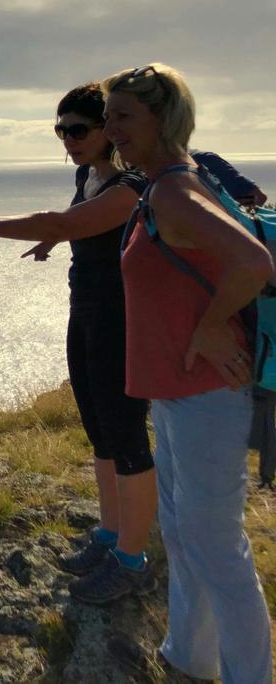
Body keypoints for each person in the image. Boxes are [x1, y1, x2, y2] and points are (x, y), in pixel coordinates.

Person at [0, 82, 157, 603]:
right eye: (61, 130)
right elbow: (75, 221)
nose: (68, 140)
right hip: (89, 308)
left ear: (109, 129)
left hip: (124, 318)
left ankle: (132, 558)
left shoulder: (134, 183)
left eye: (78, 129)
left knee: (126, 436)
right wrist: (55, 239)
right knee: (97, 426)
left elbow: (69, 219)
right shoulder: (92, 175)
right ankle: (108, 533)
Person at [103, 63, 273, 683]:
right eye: (109, 115)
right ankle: (187, 656)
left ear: (161, 118)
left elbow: (252, 262)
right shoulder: (164, 185)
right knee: (182, 533)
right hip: (178, 392)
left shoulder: (176, 190)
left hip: (206, 393)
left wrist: (208, 327)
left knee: (216, 546)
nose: (111, 127)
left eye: (124, 115)